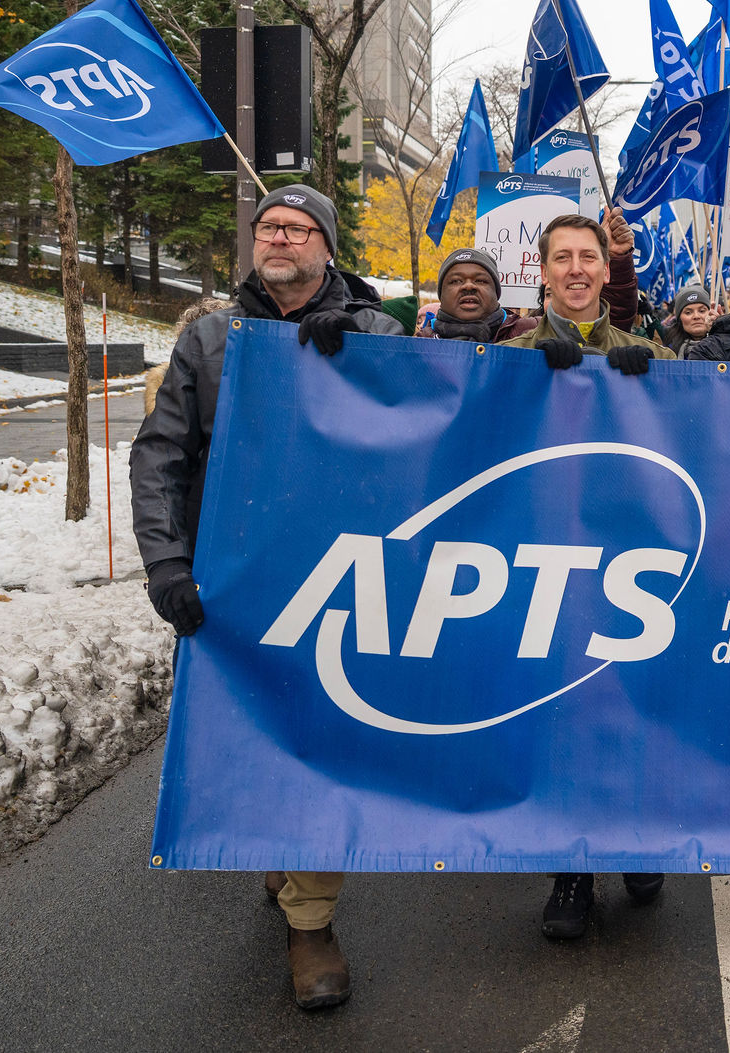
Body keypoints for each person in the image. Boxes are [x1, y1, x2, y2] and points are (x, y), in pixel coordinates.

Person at [130, 183, 404, 1010]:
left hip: (344, 575)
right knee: (251, 731)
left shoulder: (380, 327)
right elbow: (162, 455)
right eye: (267, 226)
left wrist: (355, 341)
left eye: (296, 225)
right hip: (237, 577)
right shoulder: (209, 338)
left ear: (325, 245)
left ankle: (310, 923)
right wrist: (167, 562)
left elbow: (419, 402)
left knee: (323, 737)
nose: (277, 236)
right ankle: (278, 857)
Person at [501, 213, 673, 937]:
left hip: (628, 559)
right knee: (557, 714)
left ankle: (633, 834)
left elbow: (703, 431)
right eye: (562, 257)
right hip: (540, 559)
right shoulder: (504, 356)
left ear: (607, 271)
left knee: (631, 705)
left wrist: (658, 384)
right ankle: (571, 869)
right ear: (541, 271)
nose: (576, 268)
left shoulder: (649, 349)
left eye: (588, 257)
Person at [414, 248, 538, 344]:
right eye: (456, 281)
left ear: (496, 292)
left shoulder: (532, 334)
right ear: (441, 295)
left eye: (480, 280)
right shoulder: (418, 346)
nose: (468, 286)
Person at [663, 284, 715, 352]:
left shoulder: (723, 344)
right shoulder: (667, 351)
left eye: (702, 311)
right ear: (679, 319)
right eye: (688, 312)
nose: (696, 316)